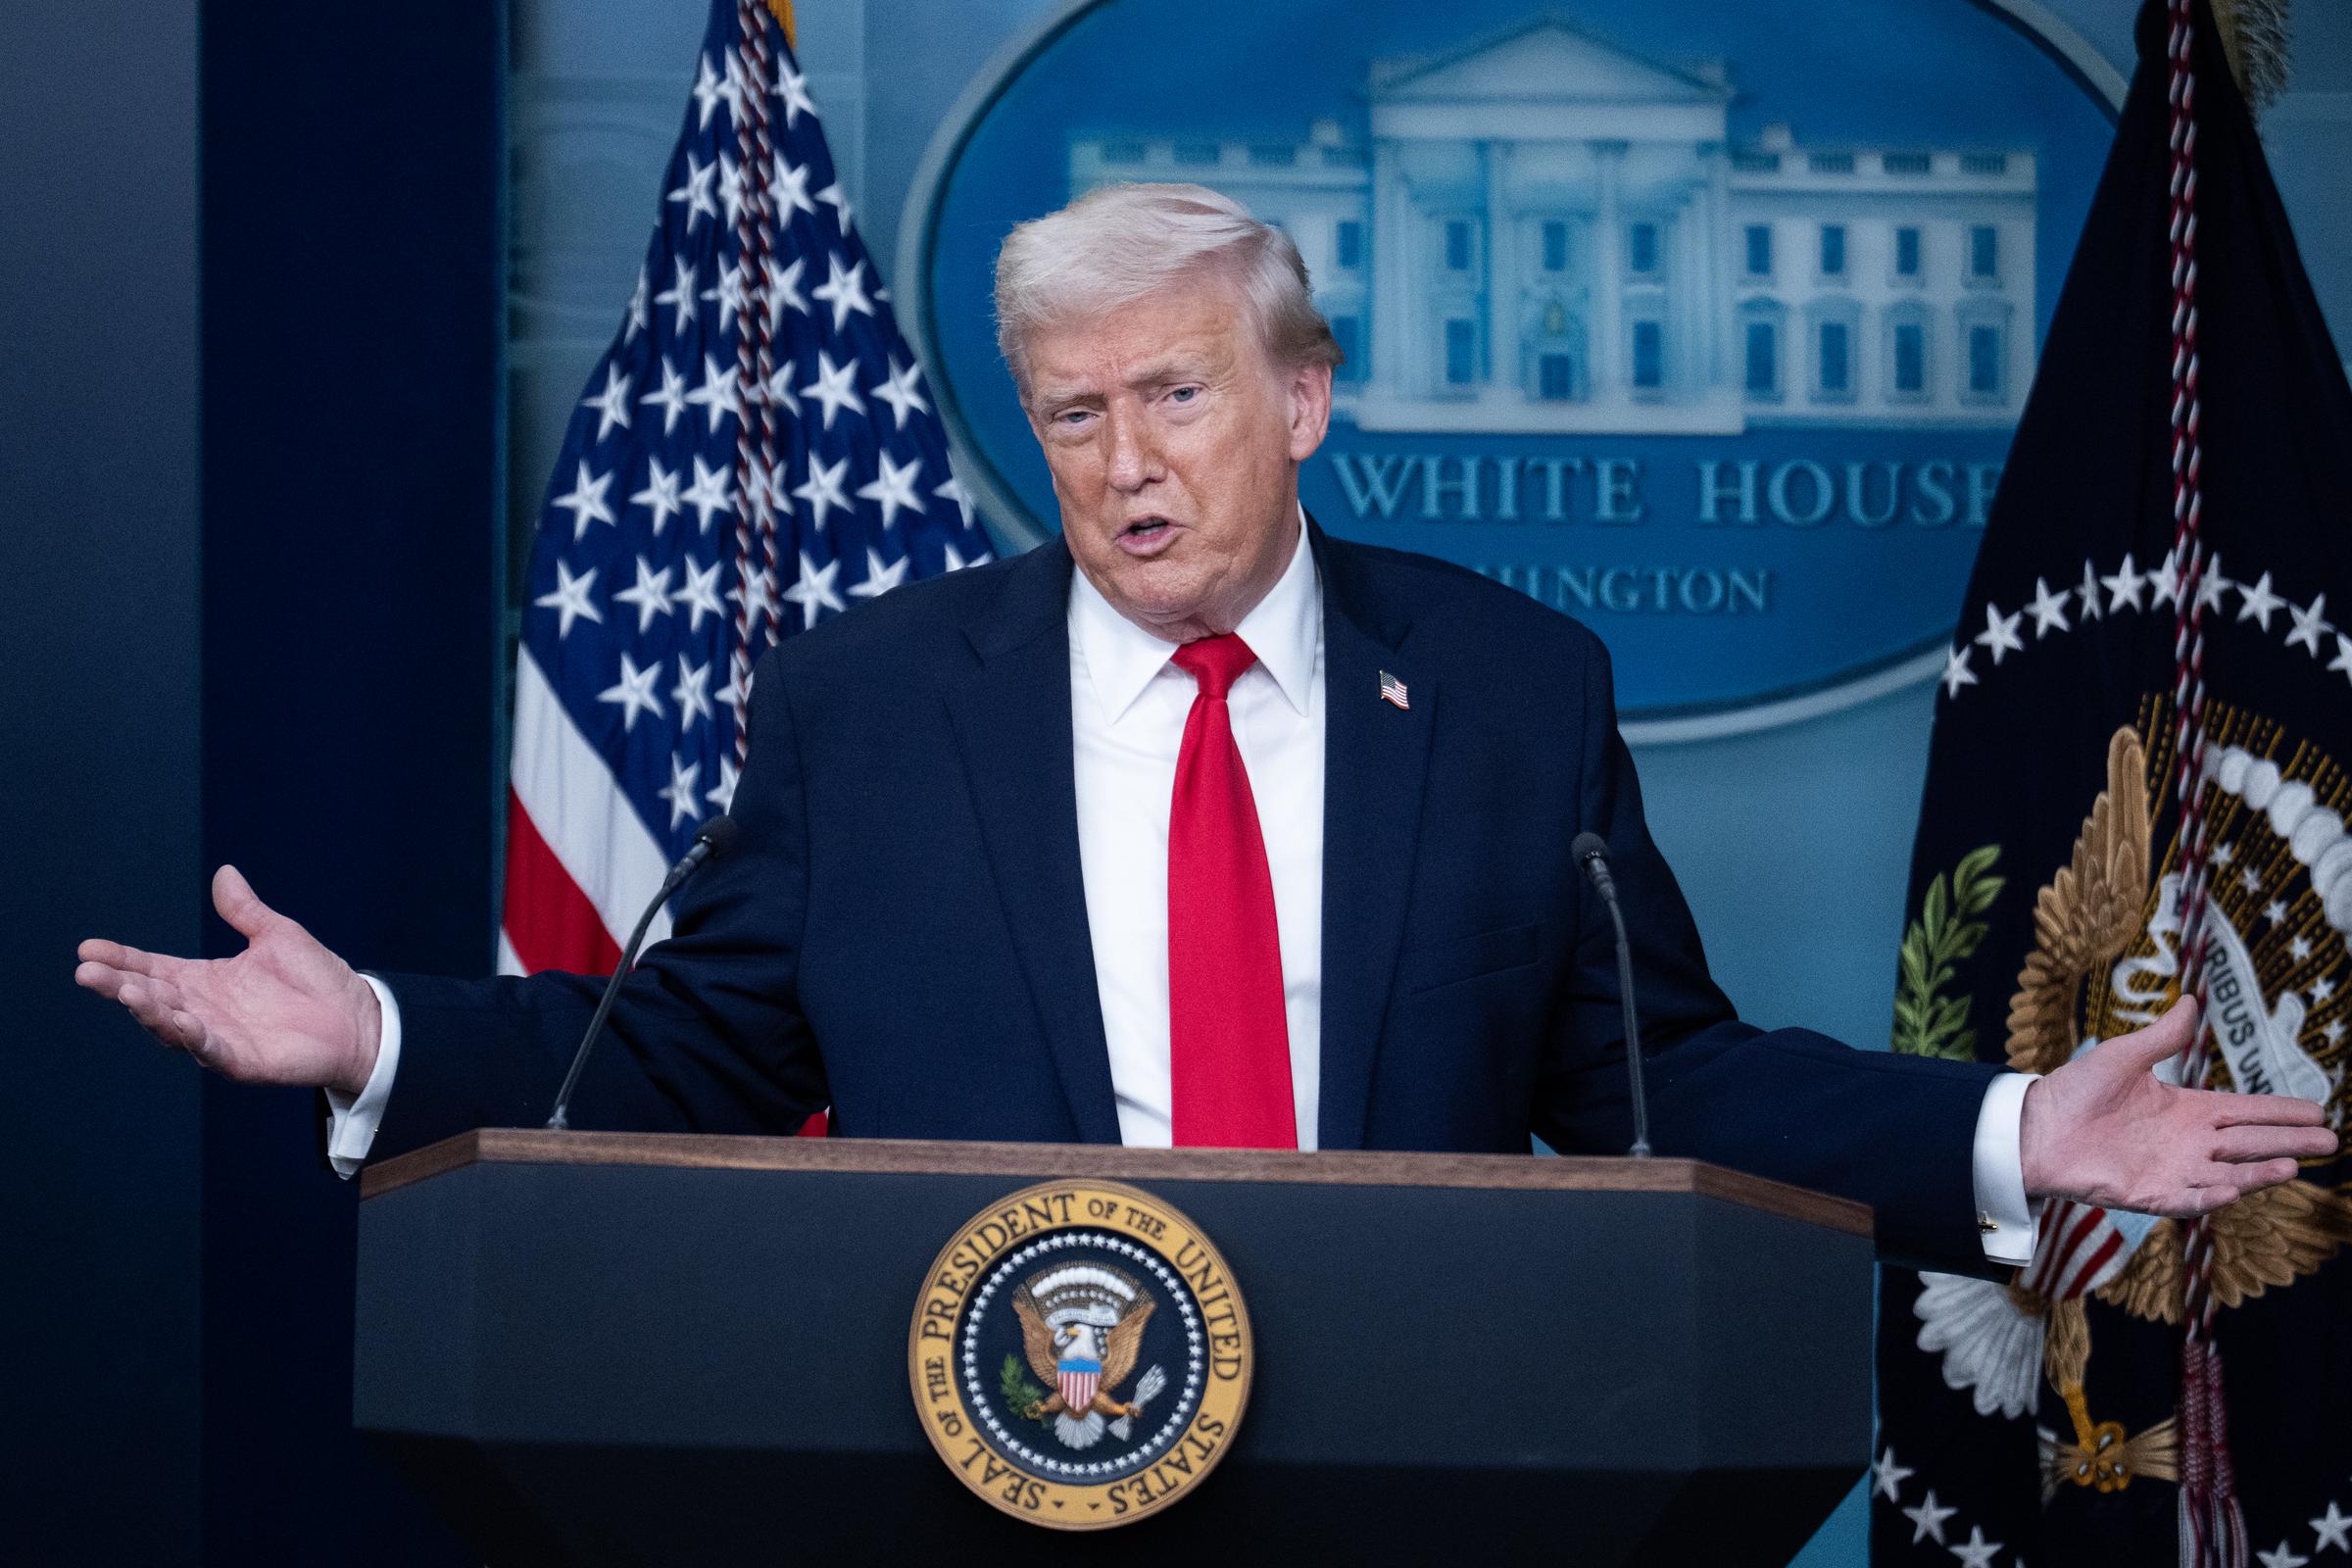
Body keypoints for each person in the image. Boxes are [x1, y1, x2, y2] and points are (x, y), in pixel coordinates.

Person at [74, 183, 2330, 1273]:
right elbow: (677, 1061)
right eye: (1073, 412)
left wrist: (2018, 1129)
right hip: (981, 1438)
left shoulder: (1513, 687)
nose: (1125, 459)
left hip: (1411, 1459)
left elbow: (1662, 1075)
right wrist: (373, 1028)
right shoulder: (877, 705)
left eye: (1174, 393)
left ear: (1303, 398)